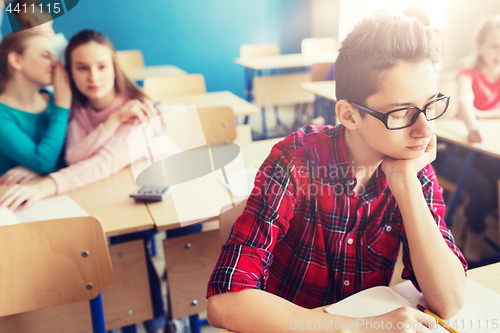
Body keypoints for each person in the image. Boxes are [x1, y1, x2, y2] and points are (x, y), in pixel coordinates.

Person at [206, 13, 467, 333]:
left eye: (431, 105)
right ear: (349, 114)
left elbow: (449, 301)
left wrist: (404, 182)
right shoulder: (296, 160)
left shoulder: (412, 167)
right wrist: (359, 327)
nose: (425, 129)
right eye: (402, 113)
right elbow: (225, 303)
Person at [0, 29, 179, 333]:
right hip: (111, 197)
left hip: (164, 197)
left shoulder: (138, 107)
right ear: (70, 72)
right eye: (81, 68)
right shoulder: (78, 109)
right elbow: (72, 156)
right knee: (106, 251)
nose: (93, 77)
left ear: (114, 67)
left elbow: (102, 162)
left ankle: (156, 321)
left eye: (101, 66)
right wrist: (109, 123)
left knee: (133, 250)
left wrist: (44, 183)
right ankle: (123, 317)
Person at [433, 15, 500, 263]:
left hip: (485, 153)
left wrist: (483, 115)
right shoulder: (468, 73)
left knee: (491, 188)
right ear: (480, 47)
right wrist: (474, 123)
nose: (498, 52)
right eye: (494, 45)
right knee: (483, 190)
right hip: (455, 150)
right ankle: (475, 230)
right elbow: (464, 102)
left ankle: (470, 217)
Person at [0, 30, 70, 184]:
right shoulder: (61, 104)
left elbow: (72, 155)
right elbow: (43, 163)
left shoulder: (54, 101)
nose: (56, 64)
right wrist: (63, 107)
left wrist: (34, 169)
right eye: (46, 56)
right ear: (16, 60)